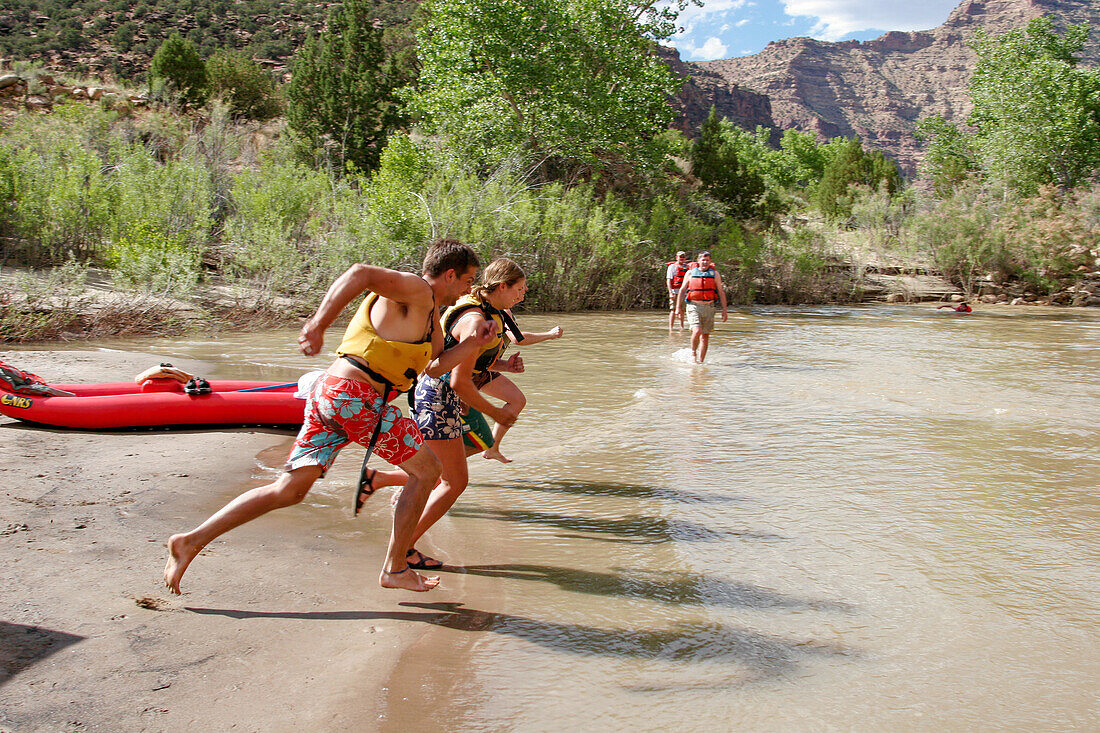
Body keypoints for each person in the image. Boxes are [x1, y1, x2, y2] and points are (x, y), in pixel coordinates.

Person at [163, 239, 495, 595]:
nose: (468, 289)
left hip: (333, 396)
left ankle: (190, 541)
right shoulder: (415, 289)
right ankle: (396, 567)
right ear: (448, 275)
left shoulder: (430, 319)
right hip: (356, 398)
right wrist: (318, 324)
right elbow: (360, 273)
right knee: (428, 471)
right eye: (467, 280)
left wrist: (474, 343)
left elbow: (433, 367)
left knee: (289, 490)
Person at [369, 258, 562, 570]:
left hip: (441, 395)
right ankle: (401, 549)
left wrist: (502, 366)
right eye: (519, 289)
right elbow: (459, 380)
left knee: (444, 477)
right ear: (501, 287)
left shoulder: (491, 311)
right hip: (437, 396)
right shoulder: (474, 319)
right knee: (451, 481)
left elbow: (466, 363)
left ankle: (401, 542)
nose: (523, 294)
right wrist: (496, 413)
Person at [676, 251, 727, 363]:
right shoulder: (690, 273)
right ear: (698, 261)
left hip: (709, 307)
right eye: (703, 260)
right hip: (694, 306)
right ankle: (693, 353)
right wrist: (678, 308)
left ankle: (701, 361)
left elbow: (721, 292)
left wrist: (724, 310)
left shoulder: (715, 274)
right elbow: (682, 290)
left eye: (707, 260)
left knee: (705, 336)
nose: (705, 262)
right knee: (697, 330)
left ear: (710, 262)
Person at [666, 251, 690, 332]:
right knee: (673, 309)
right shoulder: (672, 267)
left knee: (682, 310)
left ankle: (681, 326)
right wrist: (670, 292)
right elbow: (668, 280)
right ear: (676, 258)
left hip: (684, 292)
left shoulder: (687, 268)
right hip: (674, 291)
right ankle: (671, 328)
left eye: (683, 257)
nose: (682, 258)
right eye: (680, 257)